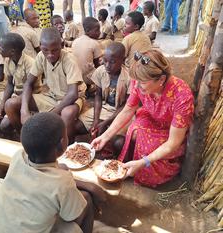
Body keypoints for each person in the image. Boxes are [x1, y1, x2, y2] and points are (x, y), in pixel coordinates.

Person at [91, 49, 194, 187]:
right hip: (151, 116)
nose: (137, 86)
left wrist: (144, 162)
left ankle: (140, 167)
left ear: (161, 79)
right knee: (134, 130)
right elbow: (128, 110)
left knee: (148, 147)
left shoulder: (182, 96)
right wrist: (105, 136)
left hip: (171, 130)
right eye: (136, 81)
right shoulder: (139, 81)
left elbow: (173, 142)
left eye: (142, 83)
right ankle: (130, 163)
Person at [0, 112, 107, 233]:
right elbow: (70, 215)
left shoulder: (18, 157)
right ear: (62, 143)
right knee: (86, 200)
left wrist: (77, 181)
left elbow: (48, 177)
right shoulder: (62, 183)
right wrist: (89, 186)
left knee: (62, 169)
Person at [5, 28, 85, 140]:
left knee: (67, 113)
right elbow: (28, 83)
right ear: (40, 46)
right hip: (51, 95)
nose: (50, 54)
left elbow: (73, 94)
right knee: (10, 104)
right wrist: (24, 110)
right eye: (45, 50)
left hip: (71, 99)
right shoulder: (41, 57)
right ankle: (23, 136)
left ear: (61, 45)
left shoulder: (69, 61)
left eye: (55, 50)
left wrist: (51, 114)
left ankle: (66, 144)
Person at [76, 42, 130, 155]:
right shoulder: (101, 71)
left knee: (119, 142)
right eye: (104, 61)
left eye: (112, 62)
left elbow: (127, 105)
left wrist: (106, 122)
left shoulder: (129, 77)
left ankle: (114, 159)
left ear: (123, 60)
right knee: (77, 127)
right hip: (105, 108)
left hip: (122, 112)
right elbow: (98, 96)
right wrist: (96, 119)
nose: (107, 65)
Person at [0, 33, 40, 135]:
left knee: (5, 124)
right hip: (15, 95)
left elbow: (31, 88)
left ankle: (21, 134)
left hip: (30, 96)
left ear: (12, 51)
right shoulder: (8, 61)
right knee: (2, 113)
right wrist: (2, 103)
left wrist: (8, 102)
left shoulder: (30, 63)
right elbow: (10, 84)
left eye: (1, 47)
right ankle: (2, 136)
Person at [72, 17, 102, 88]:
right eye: (97, 30)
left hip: (75, 76)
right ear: (88, 31)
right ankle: (99, 92)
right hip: (88, 78)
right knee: (105, 70)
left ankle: (87, 88)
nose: (99, 32)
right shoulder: (94, 43)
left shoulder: (75, 41)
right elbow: (97, 65)